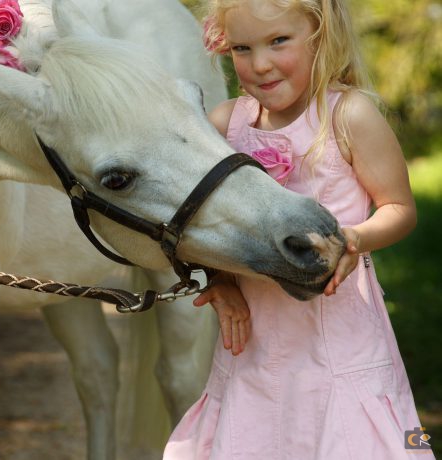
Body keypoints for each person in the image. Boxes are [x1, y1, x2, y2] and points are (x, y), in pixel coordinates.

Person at [163, 0, 435, 458]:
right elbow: (197, 226)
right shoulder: (227, 125)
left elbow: (398, 207)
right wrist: (222, 280)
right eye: (242, 48)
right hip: (252, 343)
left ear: (319, 34)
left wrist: (356, 238)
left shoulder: (348, 116)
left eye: (278, 42)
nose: (260, 64)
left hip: (339, 338)